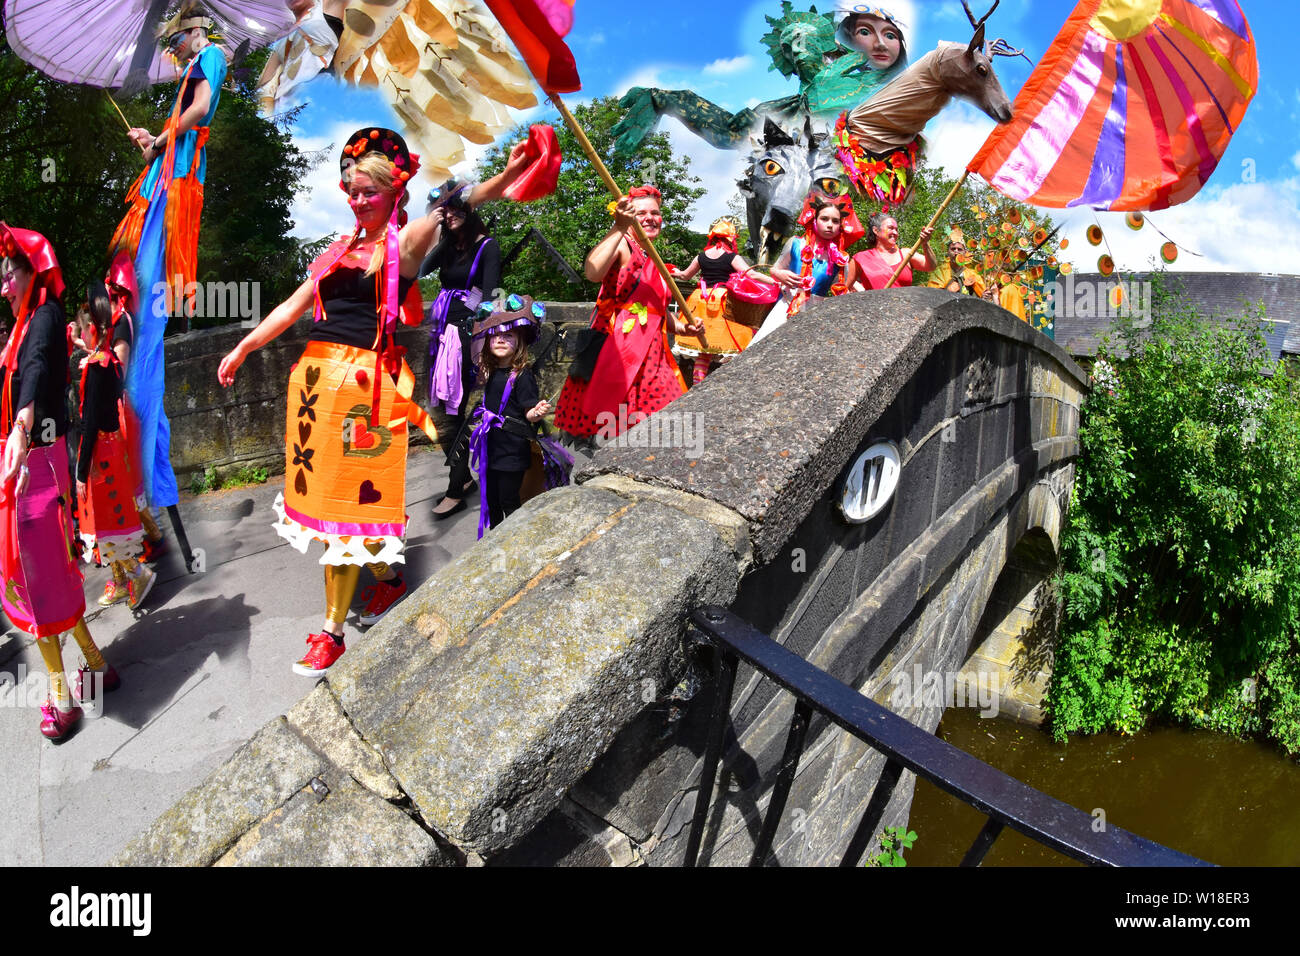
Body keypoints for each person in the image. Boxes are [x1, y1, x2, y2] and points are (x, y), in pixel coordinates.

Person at [217, 128, 531, 675]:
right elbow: (293, 307)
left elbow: (456, 201)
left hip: (364, 391)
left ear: (392, 195)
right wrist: (245, 345)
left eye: (369, 192)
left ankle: (331, 632)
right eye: (352, 191)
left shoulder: (401, 245)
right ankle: (389, 578)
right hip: (317, 389)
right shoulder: (336, 251)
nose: (358, 200)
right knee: (331, 507)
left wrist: (504, 177)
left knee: (345, 509)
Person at [108, 4, 229, 516]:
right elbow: (182, 124)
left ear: (195, 33)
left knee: (148, 316)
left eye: (174, 43)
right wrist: (153, 144)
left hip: (177, 195)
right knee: (135, 304)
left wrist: (162, 139)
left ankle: (148, 479)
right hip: (165, 185)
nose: (171, 52)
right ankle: (146, 478)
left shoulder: (213, 54)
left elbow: (201, 107)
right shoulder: (193, 68)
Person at [0, 224, 119, 740]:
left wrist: (22, 424)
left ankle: (61, 697)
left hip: (37, 463)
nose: (4, 282)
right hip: (31, 462)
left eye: (11, 271)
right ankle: (95, 663)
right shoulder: (21, 325)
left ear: (32, 272)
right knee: (46, 577)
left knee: (33, 581)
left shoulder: (44, 317)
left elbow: (37, 367)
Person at [553, 186, 701, 442]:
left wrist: (682, 328)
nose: (650, 217)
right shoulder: (624, 244)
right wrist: (619, 227)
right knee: (630, 426)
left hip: (653, 355)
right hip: (619, 348)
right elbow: (592, 271)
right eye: (641, 212)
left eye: (655, 212)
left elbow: (654, 310)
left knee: (661, 423)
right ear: (630, 216)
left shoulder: (651, 255)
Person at [421, 182, 501, 520]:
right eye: (444, 209)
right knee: (439, 412)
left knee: (454, 415)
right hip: (441, 335)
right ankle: (464, 476)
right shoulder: (447, 246)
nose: (450, 214)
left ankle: (456, 489)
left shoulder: (487, 247)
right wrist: (431, 224)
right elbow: (420, 268)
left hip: (466, 337)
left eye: (456, 208)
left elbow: (492, 297)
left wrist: (482, 347)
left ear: (470, 210)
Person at [76, 283, 156, 610]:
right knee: (108, 524)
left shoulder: (97, 367)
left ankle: (138, 572)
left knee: (107, 525)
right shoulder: (107, 360)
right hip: (111, 450)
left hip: (101, 456)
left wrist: (81, 471)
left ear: (92, 329)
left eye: (83, 330)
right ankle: (122, 579)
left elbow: (90, 421)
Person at [466, 294, 551, 536]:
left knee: (509, 500)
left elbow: (529, 412)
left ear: (519, 342)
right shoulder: (492, 372)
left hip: (512, 453)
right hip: (491, 449)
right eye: (496, 336)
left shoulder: (522, 376)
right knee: (490, 499)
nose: (500, 340)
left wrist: (536, 412)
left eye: (508, 336)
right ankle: (494, 538)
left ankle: (514, 539)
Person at [670, 217, 776, 384]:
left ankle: (697, 388)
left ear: (713, 237)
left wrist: (672, 271)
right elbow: (751, 274)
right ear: (730, 237)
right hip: (722, 301)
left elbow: (684, 276)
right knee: (734, 345)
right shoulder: (731, 256)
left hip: (701, 300)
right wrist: (775, 280)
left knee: (703, 352)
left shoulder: (701, 256)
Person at [770, 192, 862, 316]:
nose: (830, 225)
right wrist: (779, 274)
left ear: (840, 226)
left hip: (815, 316)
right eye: (824, 219)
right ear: (815, 220)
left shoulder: (839, 259)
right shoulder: (796, 243)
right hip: (784, 307)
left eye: (835, 221)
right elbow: (774, 270)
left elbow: (842, 291)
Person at [847, 212, 935, 291]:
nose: (895, 233)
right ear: (876, 231)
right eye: (891, 228)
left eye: (896, 229)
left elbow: (931, 266)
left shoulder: (905, 254)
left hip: (905, 307)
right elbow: (844, 290)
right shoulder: (861, 258)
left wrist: (925, 244)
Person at [926, 230, 987, 297]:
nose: (956, 252)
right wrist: (947, 291)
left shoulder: (973, 275)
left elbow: (982, 296)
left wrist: (985, 295)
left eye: (959, 249)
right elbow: (931, 296)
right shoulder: (939, 272)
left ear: (965, 253)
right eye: (953, 249)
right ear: (948, 252)